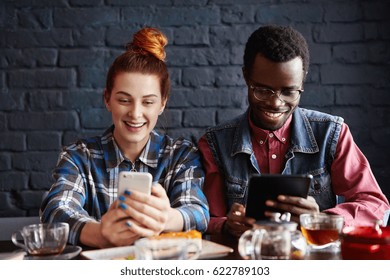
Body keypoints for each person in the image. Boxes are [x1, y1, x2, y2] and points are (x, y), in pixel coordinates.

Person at [198, 24, 390, 238]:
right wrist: (226, 225)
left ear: (302, 81)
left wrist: (322, 220)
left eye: (289, 92)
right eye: (262, 90)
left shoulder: (331, 134)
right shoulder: (214, 143)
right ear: (246, 77)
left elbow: (376, 206)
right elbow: (205, 219)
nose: (275, 103)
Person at [40, 27, 209, 248]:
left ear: (162, 103)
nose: (135, 114)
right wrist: (100, 234)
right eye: (124, 100)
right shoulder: (79, 157)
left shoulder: (181, 155)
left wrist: (166, 218)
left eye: (148, 102)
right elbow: (56, 210)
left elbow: (198, 212)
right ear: (107, 99)